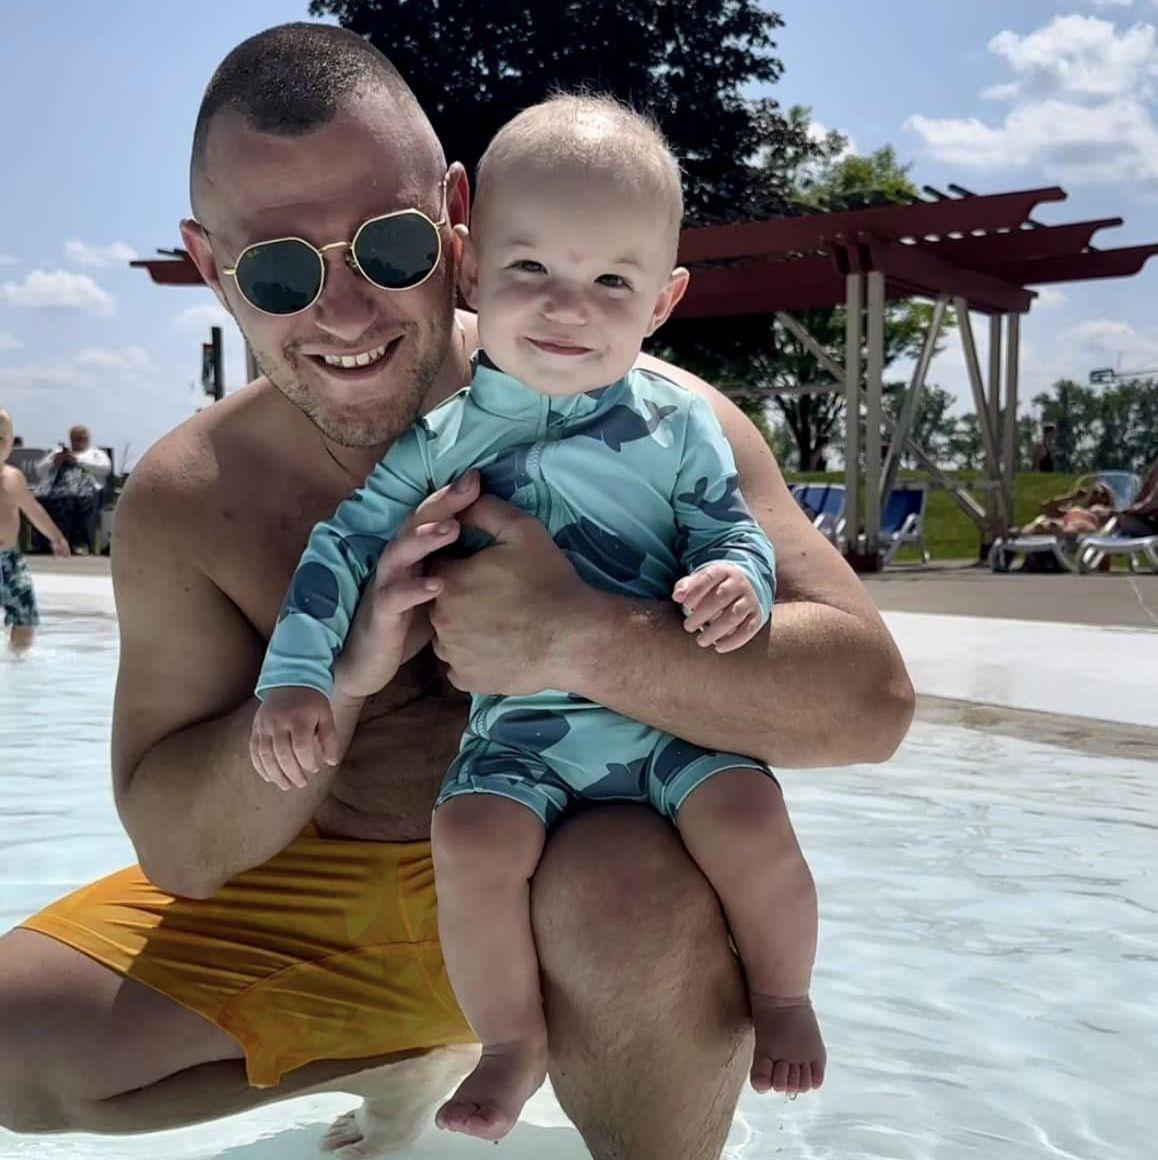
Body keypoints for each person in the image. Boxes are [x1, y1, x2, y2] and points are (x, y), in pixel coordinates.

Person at [0, 24, 913, 1159]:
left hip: (585, 872)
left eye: (388, 247)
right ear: (207, 261)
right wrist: (338, 683)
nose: (345, 315)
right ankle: (409, 1052)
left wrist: (584, 640)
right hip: (348, 888)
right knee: (13, 1043)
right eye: (279, 270)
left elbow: (870, 708)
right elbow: (180, 849)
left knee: (628, 894)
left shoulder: (658, 416)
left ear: (456, 221)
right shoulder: (193, 499)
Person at [252, 95, 823, 1141]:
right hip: (522, 737)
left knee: (751, 818)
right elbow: (344, 544)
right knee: (468, 837)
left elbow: (726, 527)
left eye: (612, 282)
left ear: (663, 301)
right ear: (469, 266)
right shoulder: (443, 439)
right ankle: (511, 1043)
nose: (569, 308)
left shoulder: (680, 422)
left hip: (671, 727)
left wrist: (737, 580)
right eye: (532, 269)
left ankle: (783, 993)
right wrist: (296, 674)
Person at [0, 408, 70, 653]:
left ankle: (18, 662)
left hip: (9, 560)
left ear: (10, 444)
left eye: (1, 438)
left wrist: (56, 537)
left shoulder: (13, 479)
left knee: (26, 615)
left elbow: (33, 510)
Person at [32, 424, 111, 553]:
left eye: (81, 438)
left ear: (87, 439)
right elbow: (39, 470)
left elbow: (105, 468)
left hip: (85, 489)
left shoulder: (96, 454)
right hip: (56, 489)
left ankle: (77, 543)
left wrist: (77, 460)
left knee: (74, 502)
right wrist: (55, 462)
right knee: (45, 502)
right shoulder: (57, 452)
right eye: (75, 438)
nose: (78, 441)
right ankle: (46, 544)